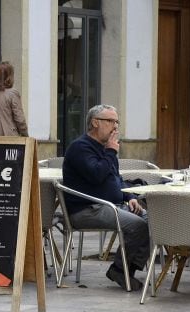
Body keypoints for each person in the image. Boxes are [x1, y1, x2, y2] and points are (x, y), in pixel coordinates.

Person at [62, 104, 150, 291]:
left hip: (110, 205)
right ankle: (120, 270)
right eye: (111, 121)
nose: (116, 127)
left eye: (117, 122)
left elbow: (115, 178)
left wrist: (130, 197)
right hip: (87, 209)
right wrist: (111, 151)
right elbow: (97, 175)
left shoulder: (105, 148)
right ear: (95, 122)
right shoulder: (80, 148)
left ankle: (127, 269)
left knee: (151, 220)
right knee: (138, 225)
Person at [0, 61, 28, 136]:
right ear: (9, 76)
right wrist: (25, 134)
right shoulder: (13, 93)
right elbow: (19, 119)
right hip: (8, 138)